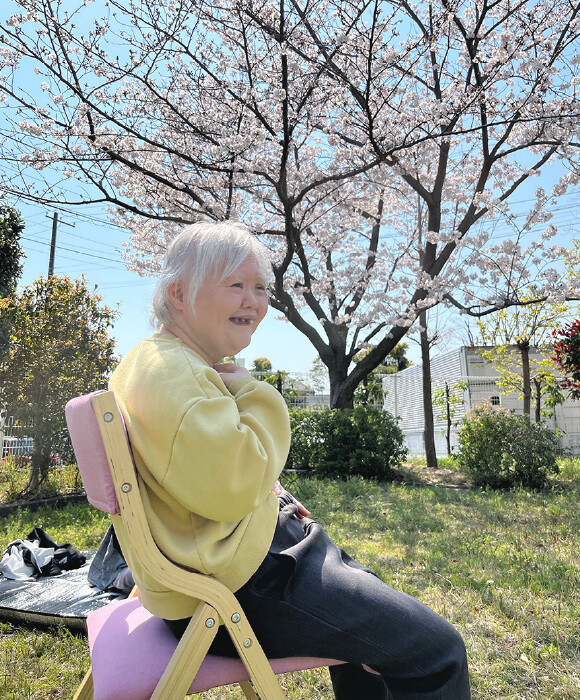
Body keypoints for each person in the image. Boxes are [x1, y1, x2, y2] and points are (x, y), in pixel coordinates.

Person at [109, 221, 471, 699]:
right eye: (235, 285)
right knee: (437, 652)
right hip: (241, 585)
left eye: (260, 288)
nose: (253, 302)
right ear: (178, 293)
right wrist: (256, 393)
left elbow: (207, 472)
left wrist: (275, 499)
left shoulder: (157, 362)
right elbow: (236, 484)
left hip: (240, 565)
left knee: (381, 621)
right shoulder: (178, 376)